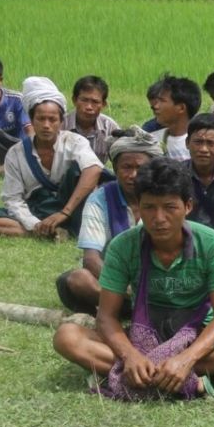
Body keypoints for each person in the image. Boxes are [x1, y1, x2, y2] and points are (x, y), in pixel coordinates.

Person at [54, 158, 214, 400]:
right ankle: (177, 379)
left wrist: (186, 358)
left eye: (169, 207)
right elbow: (107, 317)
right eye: (149, 207)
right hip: (143, 331)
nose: (159, 218)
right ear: (138, 207)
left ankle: (148, 374)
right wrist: (130, 355)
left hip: (195, 331)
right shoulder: (123, 246)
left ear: (188, 207)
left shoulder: (213, 243)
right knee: (66, 337)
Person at [0, 77, 103, 239]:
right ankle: (47, 232)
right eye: (41, 119)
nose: (46, 125)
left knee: (83, 177)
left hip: (71, 209)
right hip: (37, 211)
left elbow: (94, 169)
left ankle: (61, 227)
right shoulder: (16, 153)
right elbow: (13, 199)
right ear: (31, 121)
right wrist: (34, 223)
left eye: (52, 119)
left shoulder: (75, 142)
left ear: (61, 122)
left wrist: (64, 213)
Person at [55, 126, 163, 315]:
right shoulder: (101, 198)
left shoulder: (165, 198)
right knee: (76, 280)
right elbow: (91, 259)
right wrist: (128, 289)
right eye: (126, 167)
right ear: (115, 168)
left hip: (158, 282)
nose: (133, 175)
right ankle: (130, 307)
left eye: (141, 168)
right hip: (115, 283)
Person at [62, 75, 120, 163]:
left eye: (95, 102)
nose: (89, 107)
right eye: (84, 100)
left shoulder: (110, 127)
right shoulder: (61, 125)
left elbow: (121, 158)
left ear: (103, 104)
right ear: (74, 100)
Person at [149, 74, 202, 160]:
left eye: (162, 101)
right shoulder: (152, 141)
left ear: (181, 108)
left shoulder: (204, 142)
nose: (155, 106)